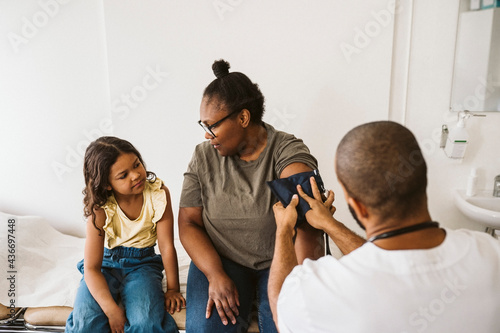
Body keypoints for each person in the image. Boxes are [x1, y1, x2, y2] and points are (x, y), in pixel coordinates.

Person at [269, 121, 500, 333]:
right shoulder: (491, 253)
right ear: (423, 180)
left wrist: (283, 231)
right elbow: (387, 259)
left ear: (358, 206)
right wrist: (330, 225)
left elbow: (282, 309)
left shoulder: (326, 288)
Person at [179, 59, 324, 333]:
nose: (208, 135)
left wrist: (302, 288)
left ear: (243, 118)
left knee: (288, 326)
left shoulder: (287, 151)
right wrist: (215, 274)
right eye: (204, 126)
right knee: (206, 328)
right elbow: (188, 223)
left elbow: (307, 221)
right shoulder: (203, 156)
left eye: (213, 126)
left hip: (278, 261)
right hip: (222, 259)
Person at [65, 136, 185, 333]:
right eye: (123, 175)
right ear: (107, 184)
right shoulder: (100, 208)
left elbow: (166, 247)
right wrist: (112, 311)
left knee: (146, 323)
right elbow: (91, 269)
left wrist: (172, 289)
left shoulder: (158, 193)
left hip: (143, 264)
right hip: (105, 265)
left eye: (137, 165)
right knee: (86, 324)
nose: (136, 175)